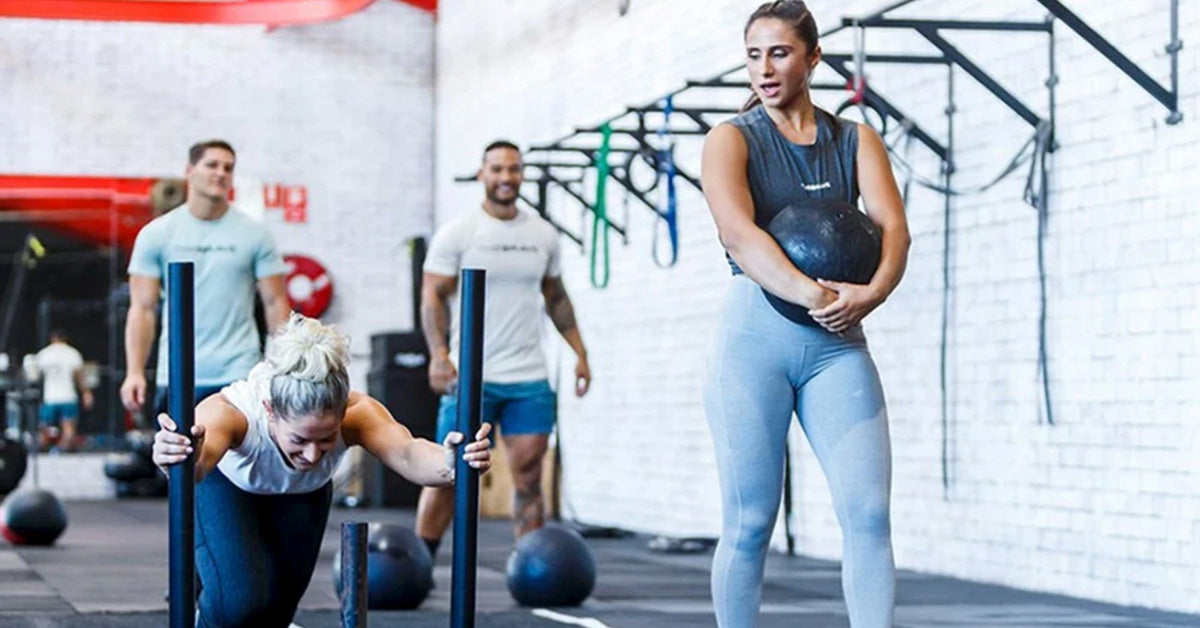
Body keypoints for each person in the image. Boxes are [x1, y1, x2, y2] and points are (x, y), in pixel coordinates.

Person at [699, 2, 911, 627]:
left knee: (869, 514)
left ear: (813, 57)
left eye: (780, 53)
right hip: (753, 343)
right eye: (753, 55)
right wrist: (820, 298)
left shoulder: (855, 138)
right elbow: (739, 236)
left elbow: (894, 231)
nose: (764, 68)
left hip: (837, 347)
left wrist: (869, 296)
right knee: (751, 520)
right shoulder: (730, 139)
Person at [152, 314, 492, 627]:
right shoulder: (233, 413)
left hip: (304, 494)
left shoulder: (357, 413)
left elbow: (408, 453)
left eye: (327, 439)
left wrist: (452, 463)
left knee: (277, 610)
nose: (313, 454)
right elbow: (196, 465)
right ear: (271, 410)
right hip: (227, 488)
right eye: (299, 439)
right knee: (239, 604)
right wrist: (176, 455)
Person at [414, 140, 591, 559]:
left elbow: (557, 297)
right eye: (497, 169)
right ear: (482, 174)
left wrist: (581, 353)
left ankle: (531, 564)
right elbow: (432, 296)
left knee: (529, 475)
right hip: (470, 374)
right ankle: (418, 560)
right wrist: (439, 354)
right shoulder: (459, 232)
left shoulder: (542, 234)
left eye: (513, 169)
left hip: (527, 374)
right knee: (449, 473)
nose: (506, 177)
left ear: (521, 174)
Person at [121, 139, 291, 421]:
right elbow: (142, 309)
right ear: (189, 170)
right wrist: (134, 372)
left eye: (228, 168)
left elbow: (275, 301)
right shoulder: (157, 234)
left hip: (240, 375)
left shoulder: (255, 234)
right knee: (179, 463)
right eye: (212, 165)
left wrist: (283, 367)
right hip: (176, 374)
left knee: (233, 465)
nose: (221, 173)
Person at [26, 330, 93, 451]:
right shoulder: (72, 353)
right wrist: (86, 393)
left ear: (52, 338)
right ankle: (62, 451)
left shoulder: (44, 354)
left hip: (50, 397)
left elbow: (34, 376)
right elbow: (80, 377)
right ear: (65, 339)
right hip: (68, 396)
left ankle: (43, 450)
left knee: (44, 426)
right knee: (68, 427)